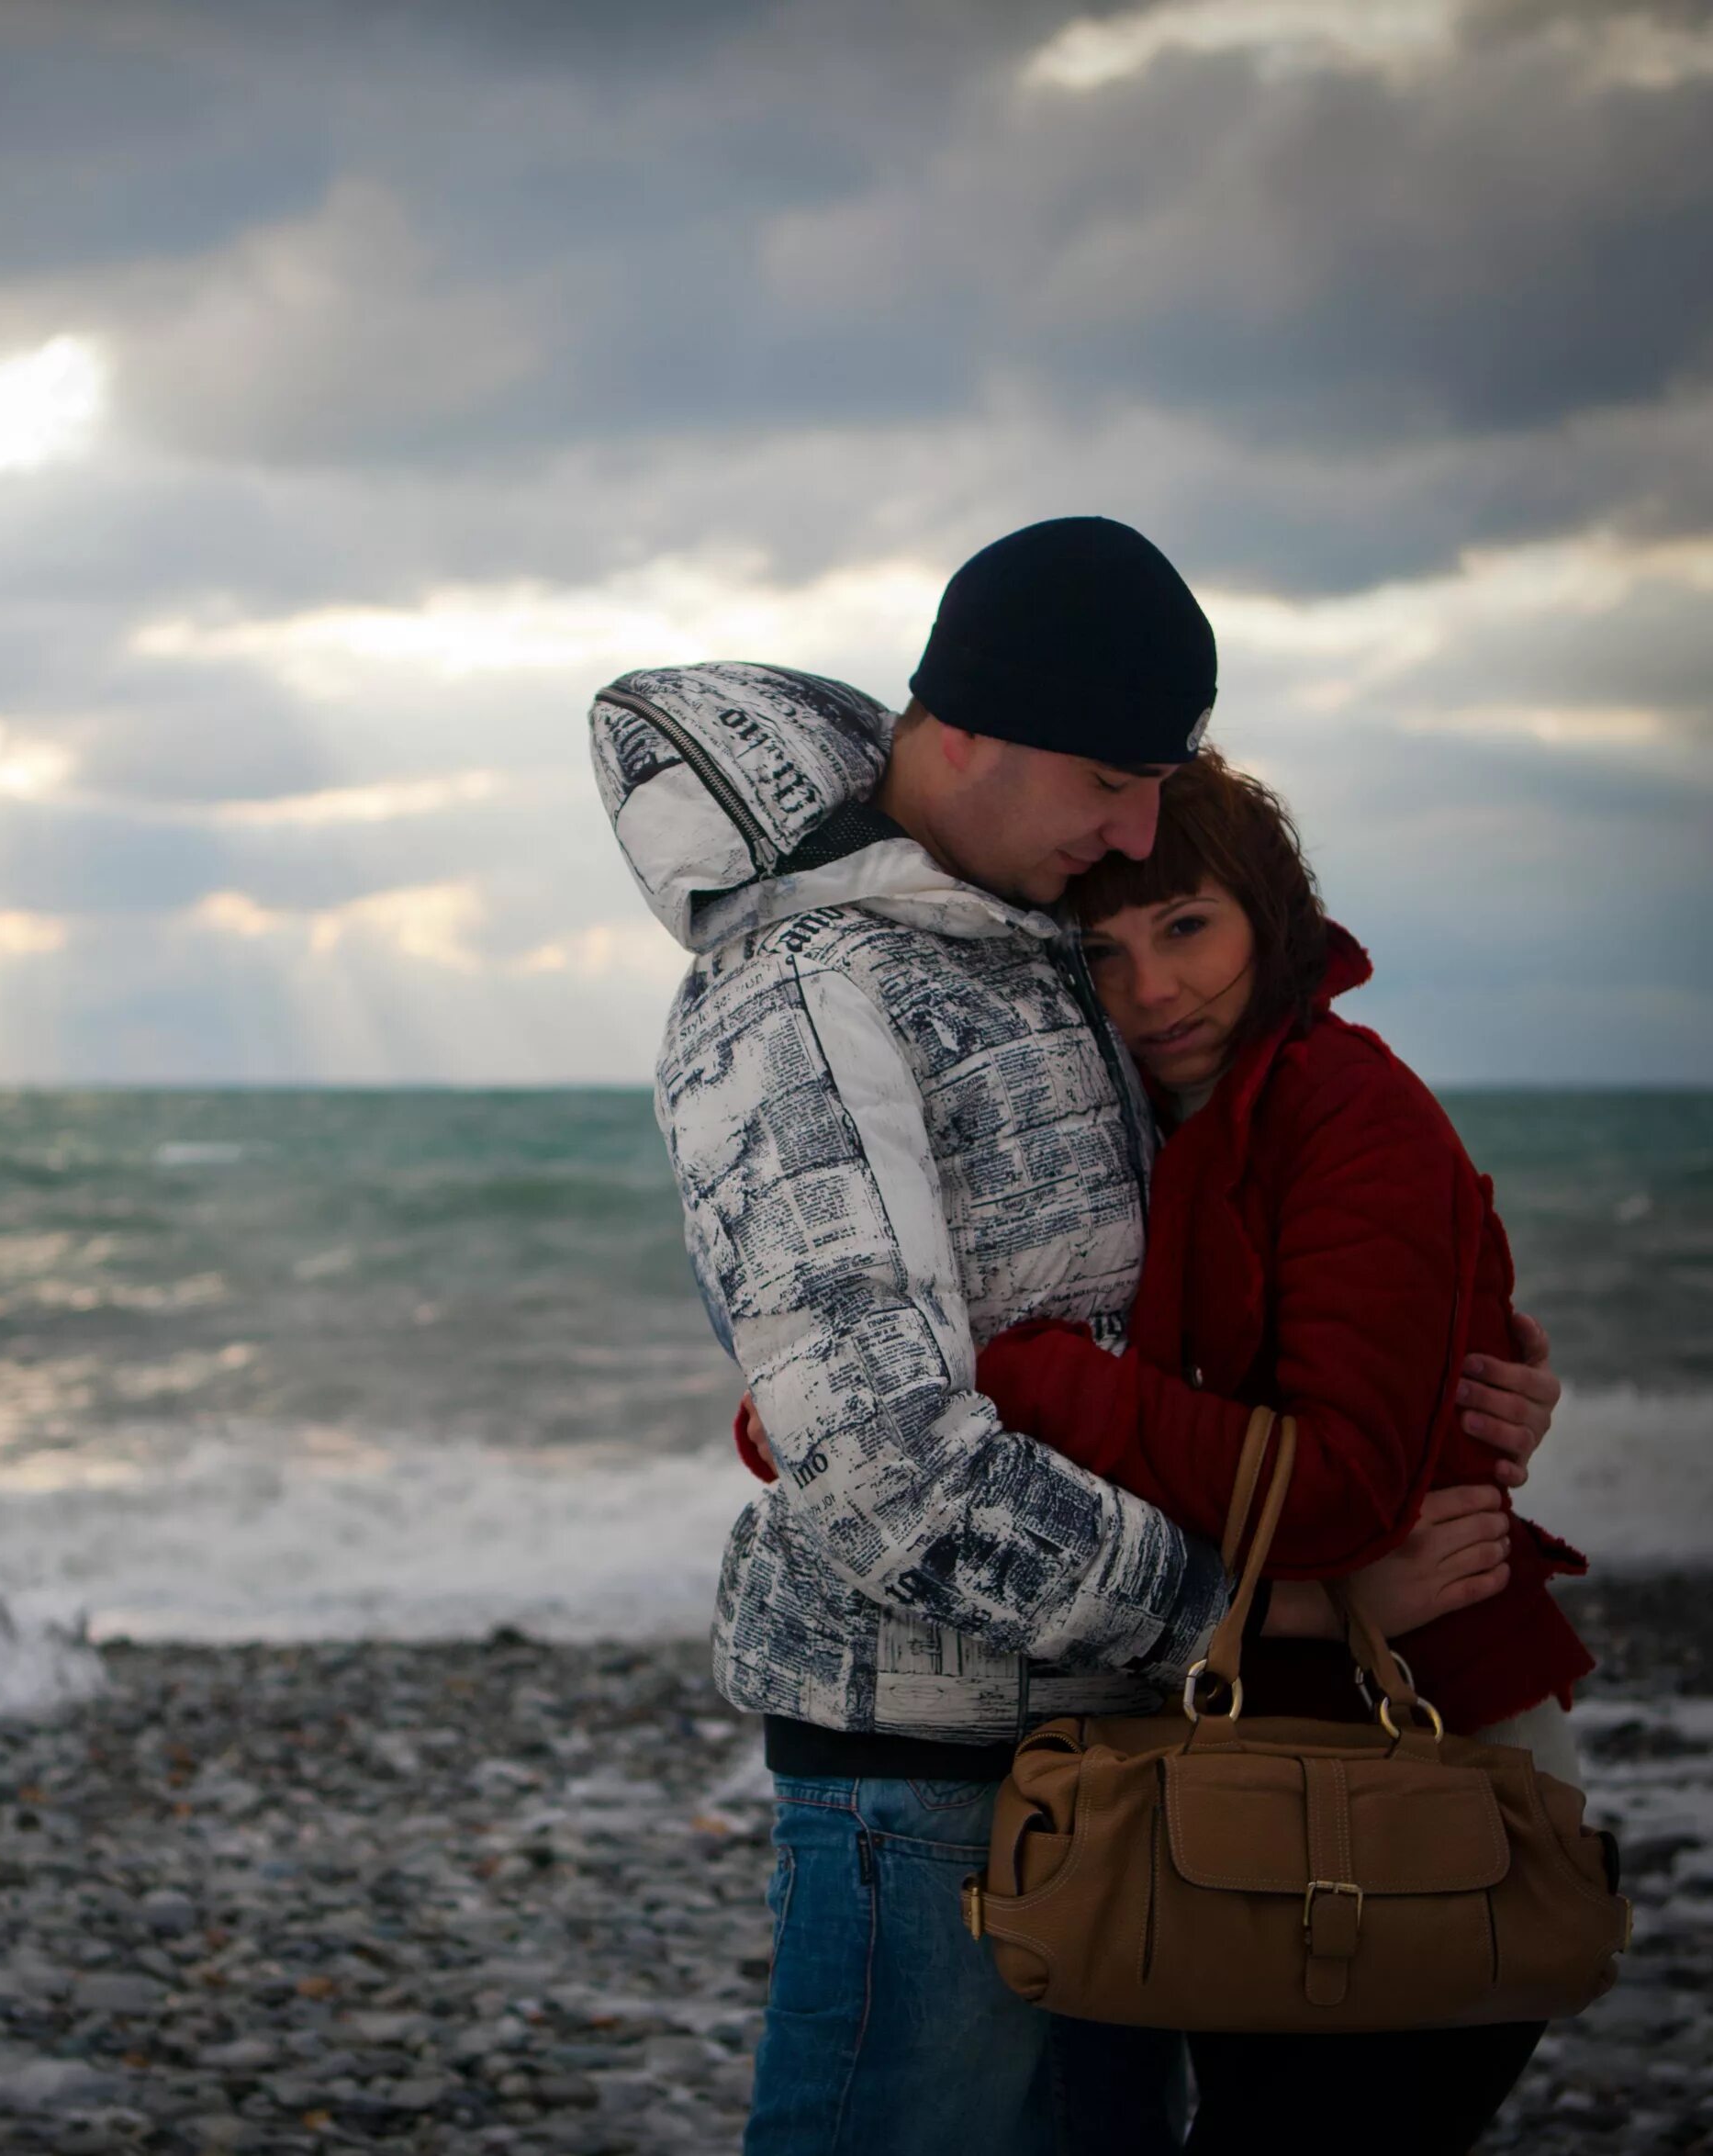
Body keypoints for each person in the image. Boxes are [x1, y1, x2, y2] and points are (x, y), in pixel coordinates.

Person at [588, 516, 1559, 2156]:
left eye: (1161, 784)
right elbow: (894, 1472)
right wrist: (1287, 1604)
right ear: (964, 732)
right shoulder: (808, 991)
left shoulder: (1021, 936)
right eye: (1112, 778)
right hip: (926, 1774)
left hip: (1120, 1757)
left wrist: (1458, 1368)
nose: (1141, 826)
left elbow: (1168, 1284)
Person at [965, 752, 1591, 2151]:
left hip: (1431, 1765)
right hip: (1251, 1756)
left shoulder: (1347, 1108)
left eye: (1188, 928)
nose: (1154, 993)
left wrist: (1037, 1383)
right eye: (1103, 954)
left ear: (1271, 914)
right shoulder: (1148, 1123)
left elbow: (1339, 1495)